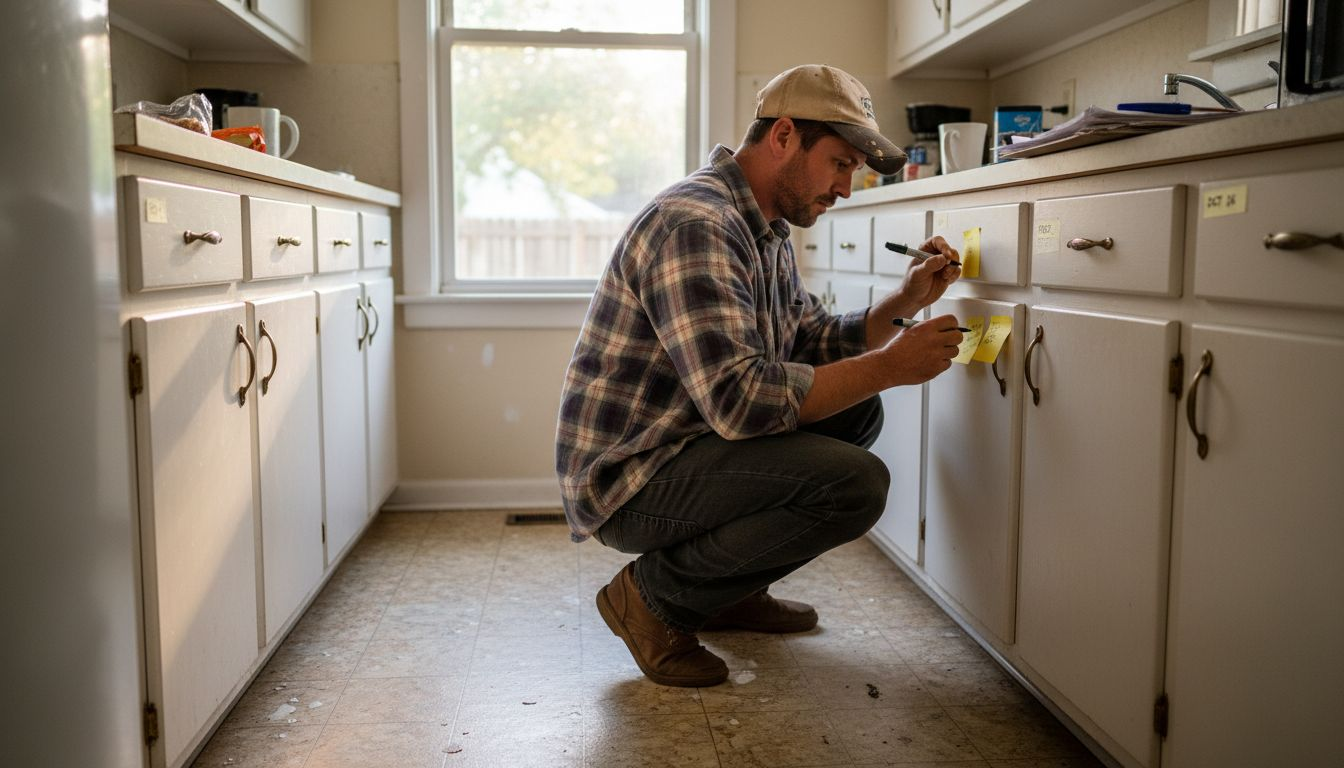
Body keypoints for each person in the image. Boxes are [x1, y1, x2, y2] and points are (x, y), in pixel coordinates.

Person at [555, 64, 963, 688]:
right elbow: (741, 402)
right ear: (784, 136)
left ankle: (727, 588)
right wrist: (888, 367)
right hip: (633, 475)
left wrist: (901, 304)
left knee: (857, 411)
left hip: (691, 441)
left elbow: (807, 341)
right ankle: (652, 601)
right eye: (840, 163)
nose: (846, 189)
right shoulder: (698, 224)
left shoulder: (763, 226)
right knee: (854, 485)